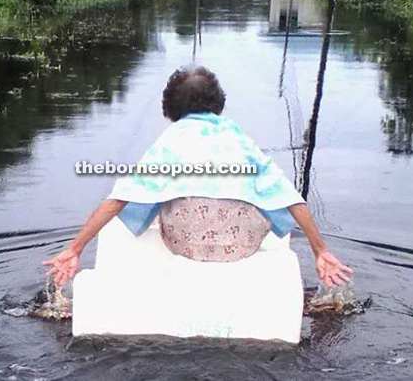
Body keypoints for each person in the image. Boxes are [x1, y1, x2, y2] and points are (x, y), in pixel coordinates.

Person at [43, 67, 352, 288]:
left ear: (171, 107)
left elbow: (118, 199)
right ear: (217, 102)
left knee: (157, 192)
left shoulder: (171, 139)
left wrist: (75, 248)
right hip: (240, 247)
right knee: (261, 196)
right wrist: (320, 250)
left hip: (184, 244)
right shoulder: (237, 138)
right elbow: (289, 197)